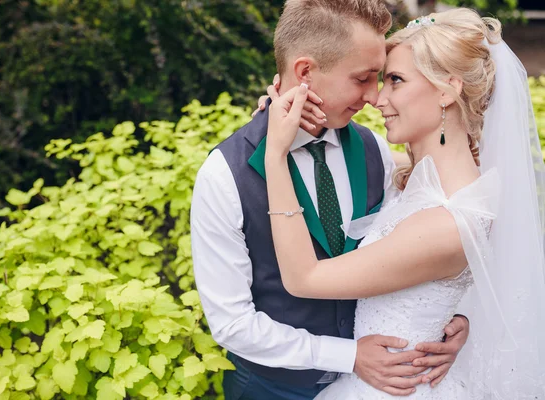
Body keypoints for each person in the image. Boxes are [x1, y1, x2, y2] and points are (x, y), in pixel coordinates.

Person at [191, 1, 469, 399]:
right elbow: (232, 324)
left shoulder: (375, 149)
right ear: (305, 72)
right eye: (363, 78)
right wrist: (349, 355)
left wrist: (454, 317)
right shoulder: (224, 175)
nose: (373, 97)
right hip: (272, 389)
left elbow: (443, 236)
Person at [264, 7, 545, 399]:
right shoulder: (427, 177)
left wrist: (274, 154)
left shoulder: (448, 221)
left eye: (395, 80)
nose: (378, 98)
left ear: (447, 90)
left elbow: (304, 278)